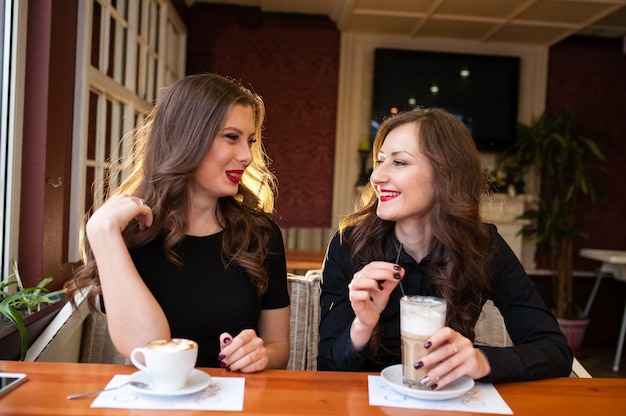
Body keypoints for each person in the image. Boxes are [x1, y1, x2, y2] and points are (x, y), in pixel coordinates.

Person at [318, 107, 573, 388]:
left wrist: (481, 361)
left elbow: (555, 351)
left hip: (449, 400)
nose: (377, 177)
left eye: (399, 163)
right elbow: (327, 367)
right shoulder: (349, 244)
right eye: (379, 162)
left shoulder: (483, 246)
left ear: (445, 174)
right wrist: (363, 325)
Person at [65, 73, 290, 372]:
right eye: (231, 137)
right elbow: (149, 349)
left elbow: (279, 349)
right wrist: (101, 232)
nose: (247, 155)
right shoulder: (127, 235)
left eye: (249, 141)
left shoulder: (262, 234)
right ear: (186, 138)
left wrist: (260, 354)